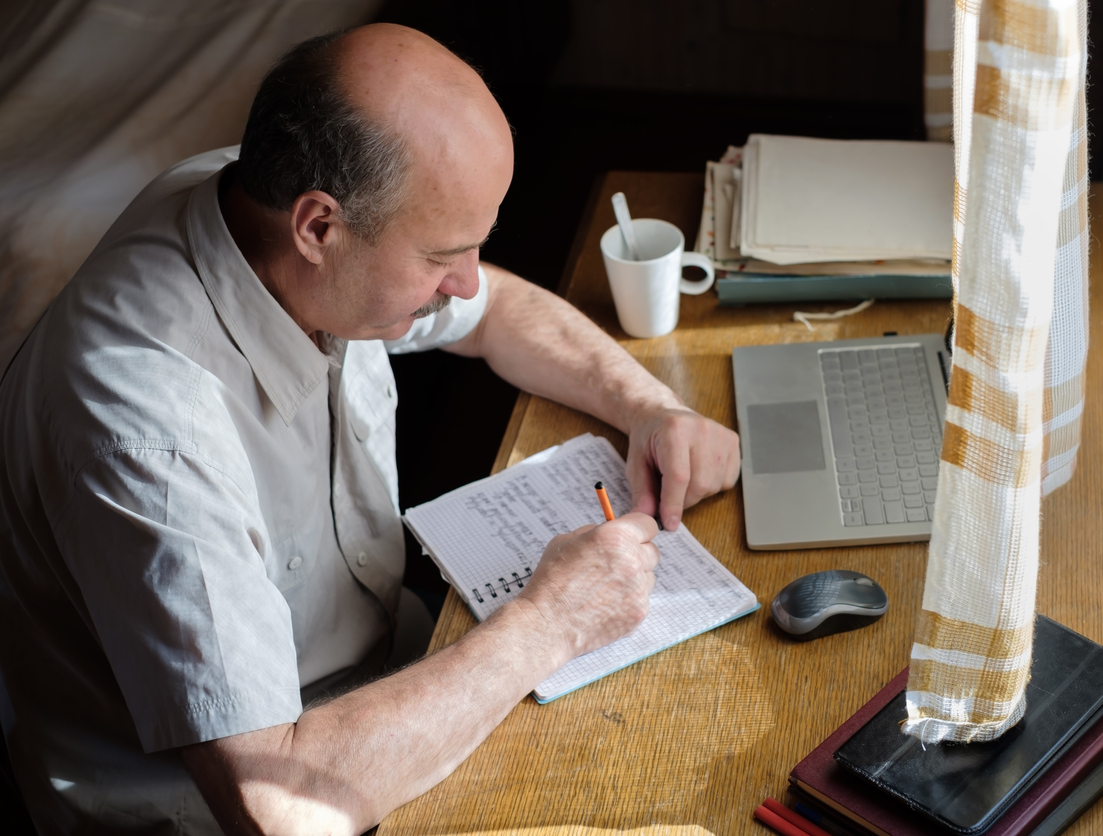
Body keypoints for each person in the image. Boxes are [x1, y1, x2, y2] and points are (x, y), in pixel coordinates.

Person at [0, 24, 740, 836]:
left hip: (396, 669)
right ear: (317, 228)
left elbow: (493, 310)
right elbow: (276, 808)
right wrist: (553, 621)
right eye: (440, 257)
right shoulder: (148, 431)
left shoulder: (256, 207)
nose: (462, 282)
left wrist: (648, 406)